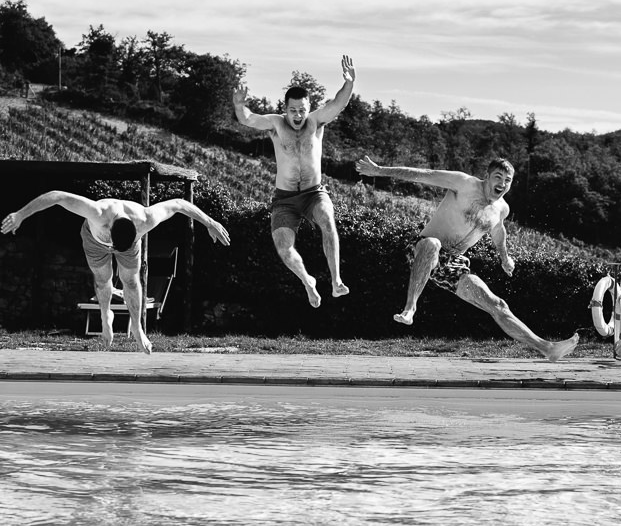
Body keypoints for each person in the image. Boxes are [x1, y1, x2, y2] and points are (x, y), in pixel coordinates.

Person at [355, 155, 580, 362]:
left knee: (497, 304)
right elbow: (423, 174)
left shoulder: (502, 209)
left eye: (507, 180)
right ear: (487, 177)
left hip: (454, 264)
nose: (502, 184)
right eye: (498, 177)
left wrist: (505, 258)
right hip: (422, 248)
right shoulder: (464, 183)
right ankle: (410, 308)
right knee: (432, 244)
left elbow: (499, 232)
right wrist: (379, 170)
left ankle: (547, 348)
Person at [1, 191, 231, 354]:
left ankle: (138, 328)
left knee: (131, 281)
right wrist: (21, 214)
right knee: (103, 280)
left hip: (131, 247)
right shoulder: (98, 212)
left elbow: (180, 204)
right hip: (93, 241)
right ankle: (105, 315)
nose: (113, 247)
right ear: (110, 227)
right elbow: (58, 196)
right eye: (112, 240)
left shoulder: (145, 218)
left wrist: (210, 222)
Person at [232, 55, 355, 308]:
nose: (298, 115)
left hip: (314, 193)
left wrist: (349, 84)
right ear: (284, 108)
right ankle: (308, 281)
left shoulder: (316, 121)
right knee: (283, 247)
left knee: (327, 222)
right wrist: (239, 104)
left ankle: (336, 281)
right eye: (293, 110)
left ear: (308, 108)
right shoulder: (275, 123)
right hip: (285, 199)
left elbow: (338, 103)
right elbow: (248, 118)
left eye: (302, 110)